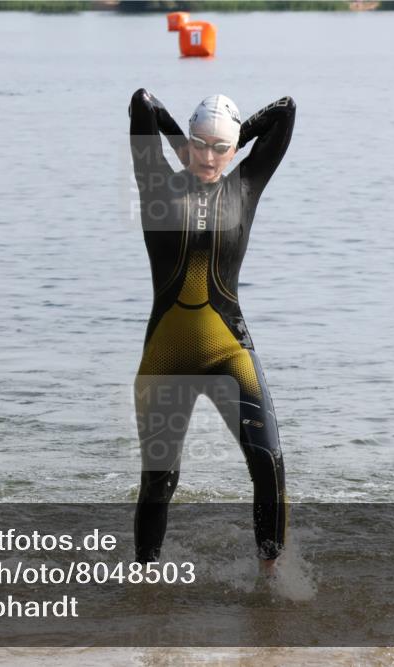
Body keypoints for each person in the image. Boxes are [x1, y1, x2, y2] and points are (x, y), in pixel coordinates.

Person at [128, 88, 296, 576]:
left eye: (219, 147)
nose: (208, 155)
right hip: (165, 356)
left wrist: (234, 139)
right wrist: (183, 141)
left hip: (228, 349)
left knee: (267, 461)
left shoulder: (245, 184)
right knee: (159, 480)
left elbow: (285, 112)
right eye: (201, 144)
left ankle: (270, 577)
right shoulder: (157, 184)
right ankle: (145, 588)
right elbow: (141, 103)